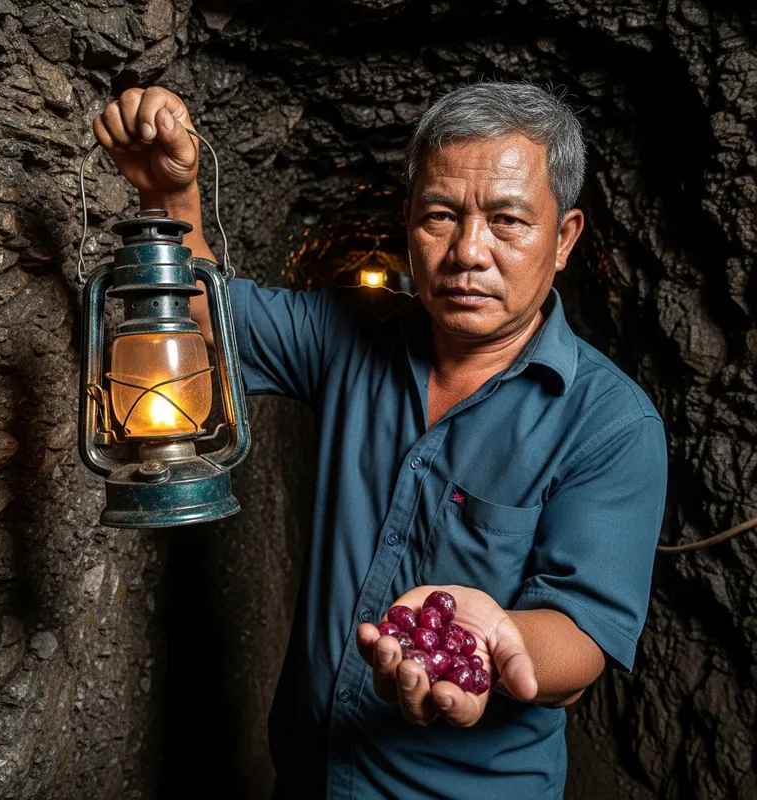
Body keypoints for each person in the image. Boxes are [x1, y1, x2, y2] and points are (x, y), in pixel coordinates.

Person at [94, 81, 668, 799]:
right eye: (440, 216)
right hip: (306, 774)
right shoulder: (346, 337)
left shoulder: (609, 423)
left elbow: (585, 632)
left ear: (565, 239)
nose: (468, 251)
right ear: (406, 222)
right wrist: (168, 198)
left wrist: (503, 640)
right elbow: (201, 330)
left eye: (508, 221)